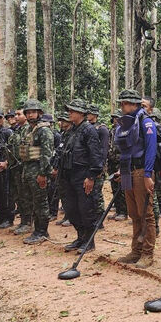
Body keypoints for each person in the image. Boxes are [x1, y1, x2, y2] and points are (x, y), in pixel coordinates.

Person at [113, 89, 158, 269]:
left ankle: (147, 253)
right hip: (127, 171)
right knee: (134, 214)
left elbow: (151, 149)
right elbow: (125, 150)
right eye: (121, 103)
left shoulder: (146, 122)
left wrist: (148, 174)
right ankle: (136, 250)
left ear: (134, 104)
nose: (122, 106)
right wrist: (121, 169)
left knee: (146, 214)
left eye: (125, 103)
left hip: (141, 171)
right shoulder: (125, 124)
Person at [59, 99, 104, 252]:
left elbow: (95, 155)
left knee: (86, 209)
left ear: (81, 113)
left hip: (83, 175)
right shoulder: (71, 130)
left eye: (72, 110)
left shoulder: (89, 130)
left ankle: (89, 242)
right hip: (69, 175)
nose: (69, 113)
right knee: (71, 209)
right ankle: (80, 237)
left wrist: (91, 176)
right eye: (69, 110)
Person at [20, 100, 55, 244]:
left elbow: (47, 154)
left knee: (41, 202)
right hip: (28, 170)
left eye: (33, 112)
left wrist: (43, 174)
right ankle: (36, 230)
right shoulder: (27, 129)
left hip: (38, 171)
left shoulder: (44, 130)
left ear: (39, 113)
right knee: (32, 201)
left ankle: (42, 231)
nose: (30, 115)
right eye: (28, 112)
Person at [87, 102, 110, 226]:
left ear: (95, 114)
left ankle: (99, 220)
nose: (87, 115)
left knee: (96, 194)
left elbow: (104, 149)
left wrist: (100, 167)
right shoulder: (86, 127)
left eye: (89, 113)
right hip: (88, 165)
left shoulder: (102, 129)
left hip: (98, 166)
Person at [8, 106, 29, 234]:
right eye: (15, 114)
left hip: (24, 168)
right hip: (15, 168)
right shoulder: (17, 130)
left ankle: (28, 223)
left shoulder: (29, 130)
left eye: (19, 114)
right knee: (19, 196)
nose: (16, 117)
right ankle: (23, 222)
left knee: (26, 197)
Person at [107, 110, 129, 221]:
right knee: (114, 187)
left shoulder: (125, 131)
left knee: (122, 188)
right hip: (112, 162)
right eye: (114, 118)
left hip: (120, 162)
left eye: (117, 118)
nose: (115, 120)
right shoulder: (112, 131)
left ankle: (124, 212)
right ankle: (118, 210)